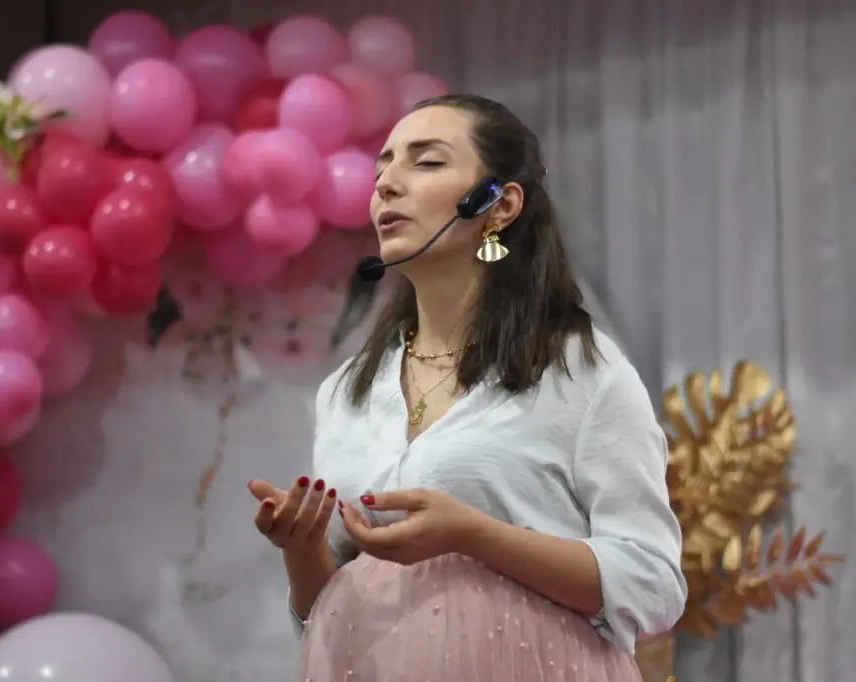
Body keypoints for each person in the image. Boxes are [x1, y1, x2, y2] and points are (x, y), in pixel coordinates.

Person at [248, 94, 686, 681]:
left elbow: (652, 584)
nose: (386, 185)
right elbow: (324, 610)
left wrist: (473, 535)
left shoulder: (581, 368)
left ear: (498, 204)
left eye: (425, 163)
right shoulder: (346, 390)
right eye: (382, 168)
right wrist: (302, 553)